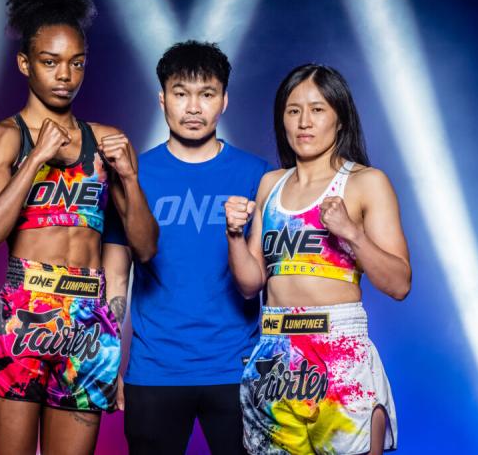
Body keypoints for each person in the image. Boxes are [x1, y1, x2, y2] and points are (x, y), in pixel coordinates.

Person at [0, 0, 157, 455]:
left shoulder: (106, 141)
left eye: (76, 63)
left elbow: (145, 247)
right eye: (50, 62)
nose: (65, 76)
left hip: (87, 319)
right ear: (25, 63)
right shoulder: (7, 138)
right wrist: (36, 159)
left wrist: (130, 179)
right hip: (22, 312)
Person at [224, 64, 411, 455]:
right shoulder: (270, 184)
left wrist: (352, 233)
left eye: (317, 109)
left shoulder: (365, 182)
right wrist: (234, 235)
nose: (304, 122)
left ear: (340, 118)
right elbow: (250, 284)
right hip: (275, 354)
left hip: (339, 352)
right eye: (293, 111)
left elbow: (399, 284)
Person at [115, 41, 271, 454]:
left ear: (224, 101)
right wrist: (110, 358)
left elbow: (271, 279)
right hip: (154, 369)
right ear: (162, 99)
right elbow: (114, 272)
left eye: (207, 94)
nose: (193, 107)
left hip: (238, 369)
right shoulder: (133, 174)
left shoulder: (258, 175)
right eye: (181, 93)